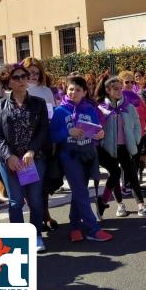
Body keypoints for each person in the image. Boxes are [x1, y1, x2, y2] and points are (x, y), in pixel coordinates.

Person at [0, 65, 49, 252]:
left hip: (32, 161)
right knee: (15, 201)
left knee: (35, 200)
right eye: (17, 77)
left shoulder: (38, 103)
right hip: (9, 162)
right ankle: (18, 240)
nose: (22, 80)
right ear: (8, 82)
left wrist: (31, 151)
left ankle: (36, 236)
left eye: (24, 76)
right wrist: (9, 156)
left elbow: (43, 130)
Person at [50, 75, 113, 242]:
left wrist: (99, 135)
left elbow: (96, 131)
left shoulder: (90, 109)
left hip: (87, 154)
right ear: (66, 90)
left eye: (78, 90)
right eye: (71, 89)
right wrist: (66, 133)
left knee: (79, 192)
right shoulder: (59, 111)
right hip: (69, 156)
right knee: (81, 191)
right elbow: (52, 135)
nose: (73, 92)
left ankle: (75, 227)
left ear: (84, 92)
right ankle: (93, 229)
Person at [96, 76, 146, 218]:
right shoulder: (101, 108)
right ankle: (120, 205)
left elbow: (137, 124)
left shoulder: (128, 106)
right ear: (107, 90)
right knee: (115, 175)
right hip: (108, 148)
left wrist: (135, 139)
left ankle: (141, 206)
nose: (119, 91)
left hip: (125, 147)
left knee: (132, 174)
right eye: (116, 89)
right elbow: (97, 128)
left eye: (120, 89)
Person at [22, 57, 59, 232]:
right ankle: (37, 219)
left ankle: (44, 215)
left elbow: (53, 114)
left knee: (44, 183)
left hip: (45, 143)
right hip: (25, 147)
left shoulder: (46, 91)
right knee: (29, 185)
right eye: (30, 72)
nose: (34, 76)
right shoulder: (17, 91)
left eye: (37, 72)